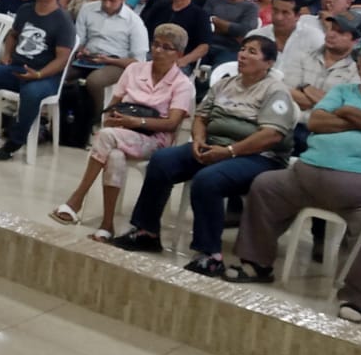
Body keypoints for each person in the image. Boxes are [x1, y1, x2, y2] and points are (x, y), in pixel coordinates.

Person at [227, 39, 361, 323]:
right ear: (358, 68)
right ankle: (257, 264)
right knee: (266, 185)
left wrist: (347, 112)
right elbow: (317, 122)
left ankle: (355, 299)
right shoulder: (343, 91)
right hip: (305, 177)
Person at [111, 35, 296, 275]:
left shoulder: (275, 91)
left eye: (252, 52)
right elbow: (201, 116)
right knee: (162, 160)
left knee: (208, 180)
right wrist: (198, 140)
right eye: (242, 49)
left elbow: (271, 135)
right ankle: (147, 232)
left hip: (259, 157)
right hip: (214, 146)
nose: (242, 55)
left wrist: (230, 151)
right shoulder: (225, 84)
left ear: (268, 63)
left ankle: (210, 255)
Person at [51, 24, 193, 241]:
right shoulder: (134, 70)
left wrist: (136, 121)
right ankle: (107, 225)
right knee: (115, 156)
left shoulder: (182, 84)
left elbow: (172, 124)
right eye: (156, 45)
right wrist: (113, 119)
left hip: (154, 140)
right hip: (122, 132)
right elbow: (113, 104)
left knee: (106, 136)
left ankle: (76, 199)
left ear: (179, 54)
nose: (158, 51)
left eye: (166, 47)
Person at [0, 0, 75, 161]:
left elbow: (62, 59)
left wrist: (38, 75)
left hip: (46, 76)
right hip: (17, 68)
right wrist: (7, 55)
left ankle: (15, 140)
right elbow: (13, 34)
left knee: (31, 93)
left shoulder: (63, 20)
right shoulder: (25, 10)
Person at [67, 0, 150, 121]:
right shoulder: (88, 9)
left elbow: (138, 61)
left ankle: (97, 119)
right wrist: (80, 50)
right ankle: (64, 117)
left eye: (112, 1)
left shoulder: (134, 22)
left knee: (95, 81)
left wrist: (109, 60)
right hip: (89, 58)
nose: (107, 4)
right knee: (61, 73)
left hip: (117, 63)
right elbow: (79, 39)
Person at [282, 11, 361, 118]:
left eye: (340, 32)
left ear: (356, 41)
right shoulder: (302, 56)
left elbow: (344, 109)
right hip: (291, 121)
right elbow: (286, 92)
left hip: (326, 127)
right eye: (332, 28)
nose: (331, 34)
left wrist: (305, 88)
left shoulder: (358, 71)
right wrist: (329, 104)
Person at [140, 0, 210, 75]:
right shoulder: (160, 7)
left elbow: (204, 46)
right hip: (153, 55)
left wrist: (184, 60)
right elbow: (145, 31)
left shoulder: (200, 15)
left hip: (179, 61)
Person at [204, 0, 260, 68]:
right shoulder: (213, 1)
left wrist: (216, 21)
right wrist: (231, 30)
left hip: (231, 49)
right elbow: (204, 23)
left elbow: (244, 30)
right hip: (206, 44)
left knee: (219, 70)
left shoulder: (251, 7)